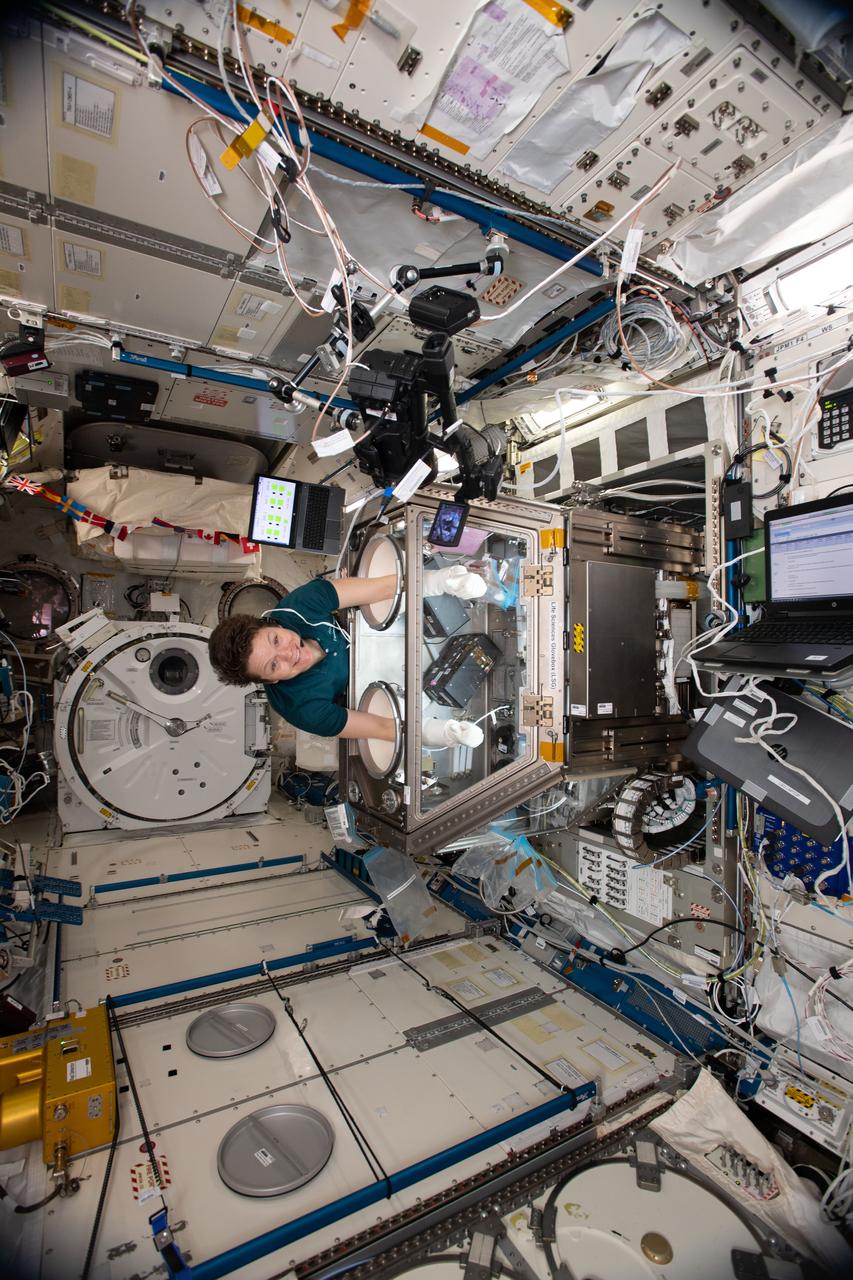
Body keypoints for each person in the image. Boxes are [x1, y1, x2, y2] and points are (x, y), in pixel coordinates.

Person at [207, 564, 488, 747]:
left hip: (401, 628)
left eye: (276, 640)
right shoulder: (300, 708)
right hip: (398, 688)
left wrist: (440, 581)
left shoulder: (299, 605)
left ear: (273, 624)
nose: (288, 653)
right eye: (273, 664)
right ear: (269, 681)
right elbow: (381, 727)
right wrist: (443, 733)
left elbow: (382, 587)